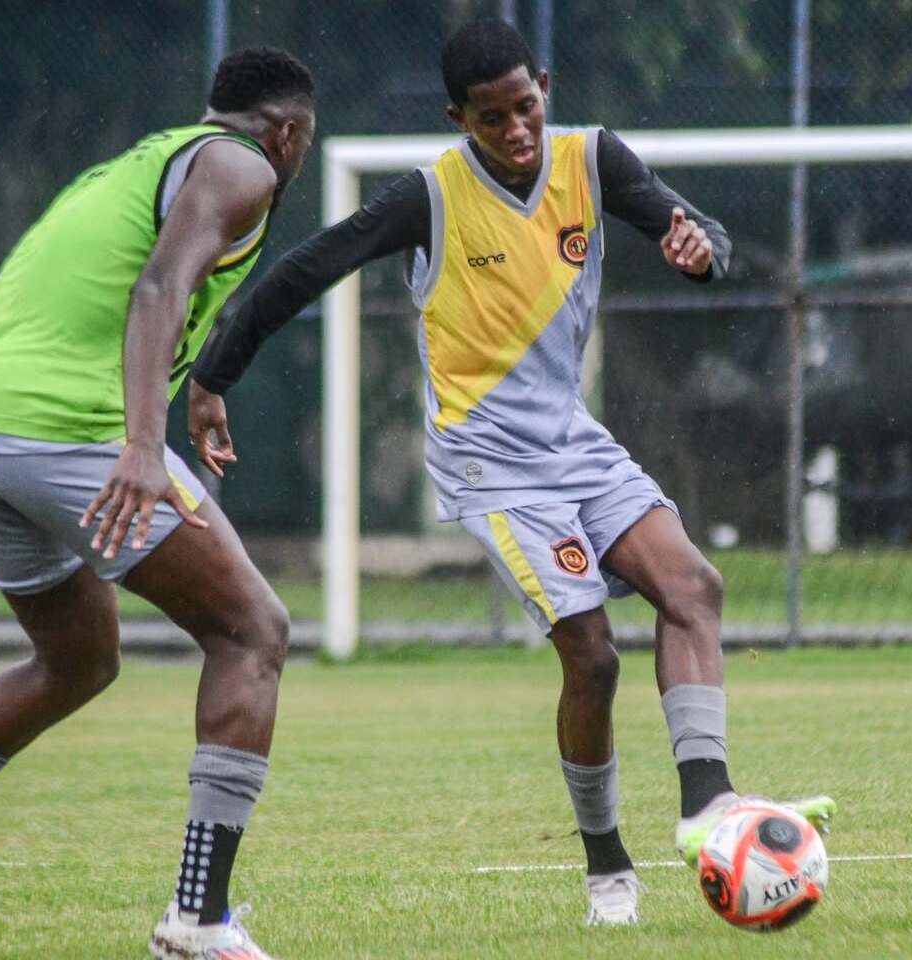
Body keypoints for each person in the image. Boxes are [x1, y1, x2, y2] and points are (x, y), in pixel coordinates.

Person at [188, 19, 834, 928]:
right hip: (490, 463)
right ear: (462, 119)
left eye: (526, 106)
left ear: (545, 84)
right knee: (594, 657)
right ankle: (607, 864)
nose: (518, 130)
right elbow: (304, 270)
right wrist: (213, 373)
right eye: (493, 119)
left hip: (572, 440)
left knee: (695, 583)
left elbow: (699, 234)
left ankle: (709, 808)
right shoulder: (430, 197)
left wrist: (703, 253)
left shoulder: (594, 159)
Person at [0, 47, 315, 960]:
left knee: (78, 658)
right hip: (67, 431)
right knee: (254, 628)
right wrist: (141, 443)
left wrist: (194, 391)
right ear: (291, 133)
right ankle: (198, 918)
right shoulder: (244, 163)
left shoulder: (118, 176)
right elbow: (161, 287)